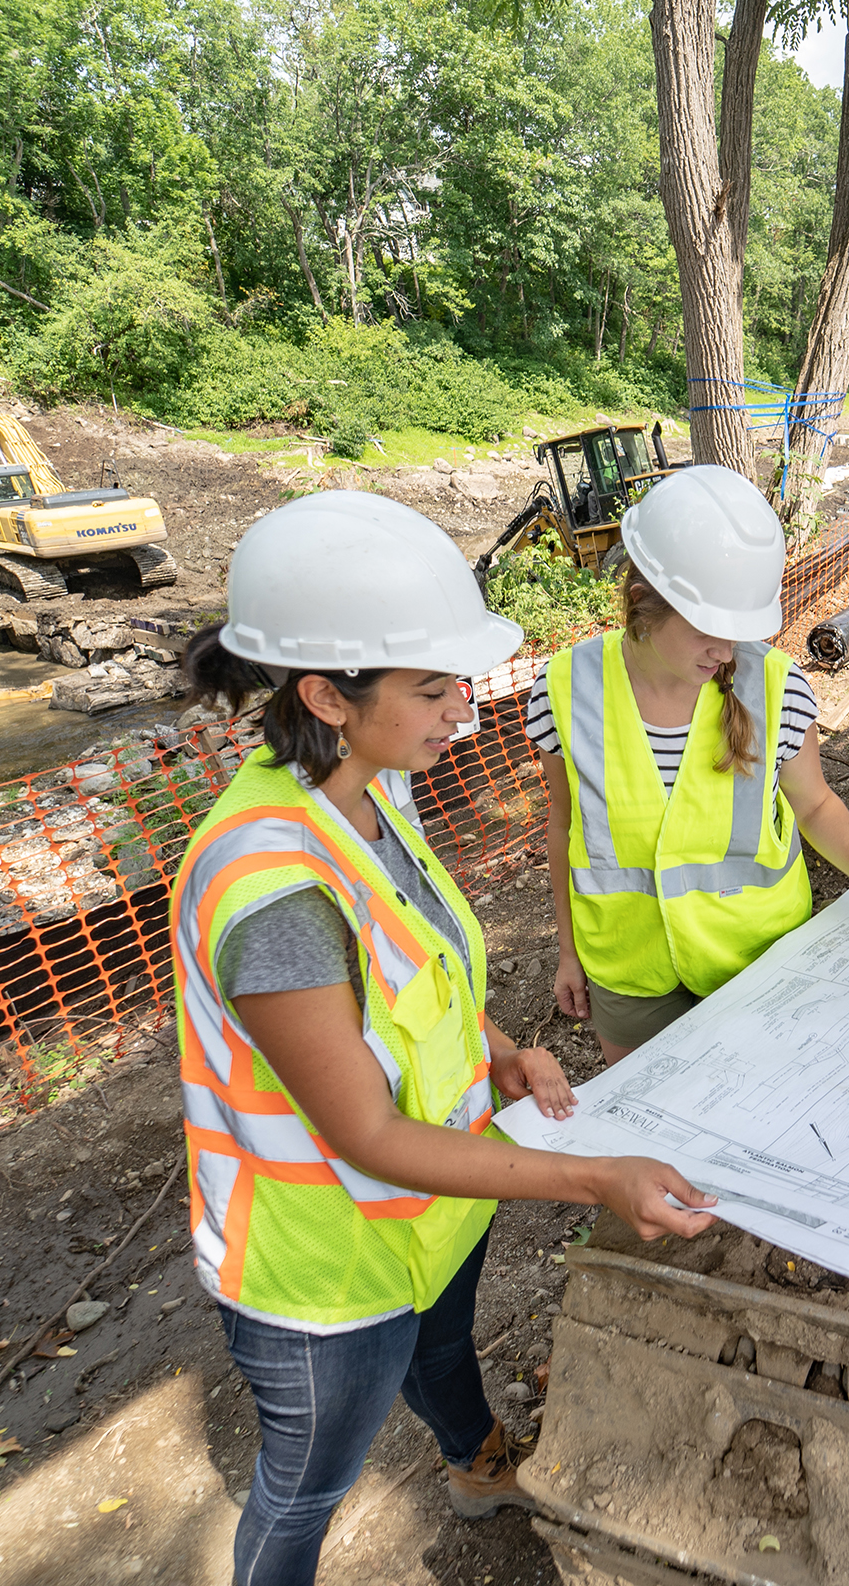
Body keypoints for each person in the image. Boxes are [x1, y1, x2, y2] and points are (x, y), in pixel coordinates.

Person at [174, 491, 717, 1586]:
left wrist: (500, 1046)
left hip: (428, 1221)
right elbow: (367, 1131)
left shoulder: (363, 797)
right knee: (304, 1490)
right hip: (324, 1273)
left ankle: (475, 1461)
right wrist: (594, 1175)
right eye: (430, 688)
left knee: (442, 1350)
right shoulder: (273, 888)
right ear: (326, 694)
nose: (459, 708)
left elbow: (414, 972)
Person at [526, 464, 849, 1062]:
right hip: (628, 971)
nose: (727, 652)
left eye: (739, 631)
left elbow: (814, 803)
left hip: (758, 961)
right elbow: (563, 823)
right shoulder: (564, 689)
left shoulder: (776, 688)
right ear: (641, 603)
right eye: (711, 629)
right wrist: (570, 952)